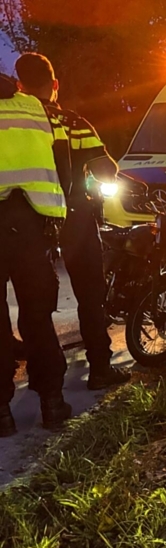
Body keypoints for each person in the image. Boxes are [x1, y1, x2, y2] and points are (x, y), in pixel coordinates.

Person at [15, 53, 130, 391]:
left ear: (20, 85)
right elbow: (106, 170)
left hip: (26, 223)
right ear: (54, 84)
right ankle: (99, 368)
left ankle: (42, 374)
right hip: (75, 217)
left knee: (33, 303)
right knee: (90, 294)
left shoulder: (14, 123)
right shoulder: (72, 121)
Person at [0, 72, 72, 437]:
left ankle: (1, 414)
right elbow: (62, 164)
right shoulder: (32, 106)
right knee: (37, 315)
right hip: (32, 220)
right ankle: (53, 404)